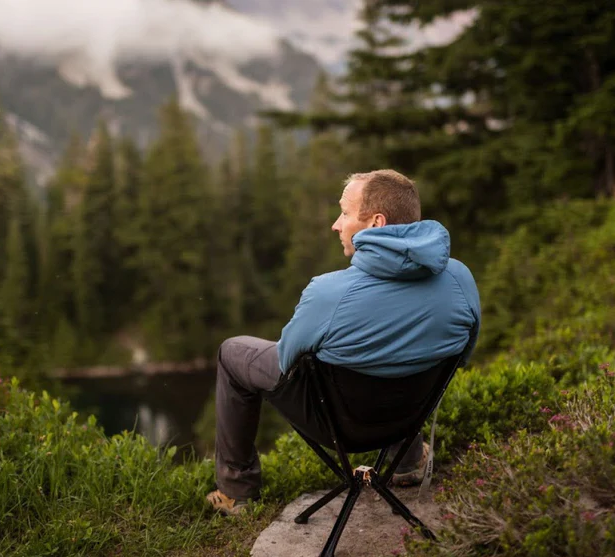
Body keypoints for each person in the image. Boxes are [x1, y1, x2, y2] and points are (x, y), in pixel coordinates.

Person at [205, 169, 481, 515]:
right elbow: (462, 355)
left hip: (343, 429)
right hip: (408, 413)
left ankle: (237, 491)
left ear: (377, 223)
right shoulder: (459, 278)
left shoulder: (327, 292)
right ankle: (409, 461)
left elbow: (284, 363)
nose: (337, 224)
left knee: (233, 351)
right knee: (406, 354)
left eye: (346, 213)